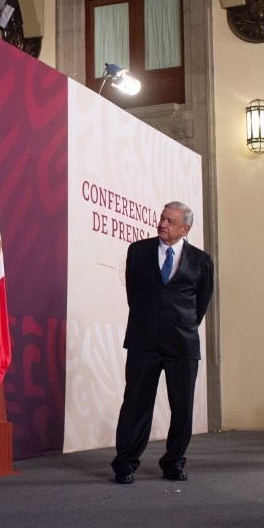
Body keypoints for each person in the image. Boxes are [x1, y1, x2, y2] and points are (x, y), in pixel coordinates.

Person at [111, 201, 215, 484]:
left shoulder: (202, 261)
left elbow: (200, 302)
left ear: (186, 228)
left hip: (182, 343)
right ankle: (125, 464)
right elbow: (134, 294)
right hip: (143, 340)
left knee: (182, 407)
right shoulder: (138, 251)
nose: (162, 224)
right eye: (162, 218)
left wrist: (180, 324)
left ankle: (173, 463)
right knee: (135, 404)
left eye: (170, 221)